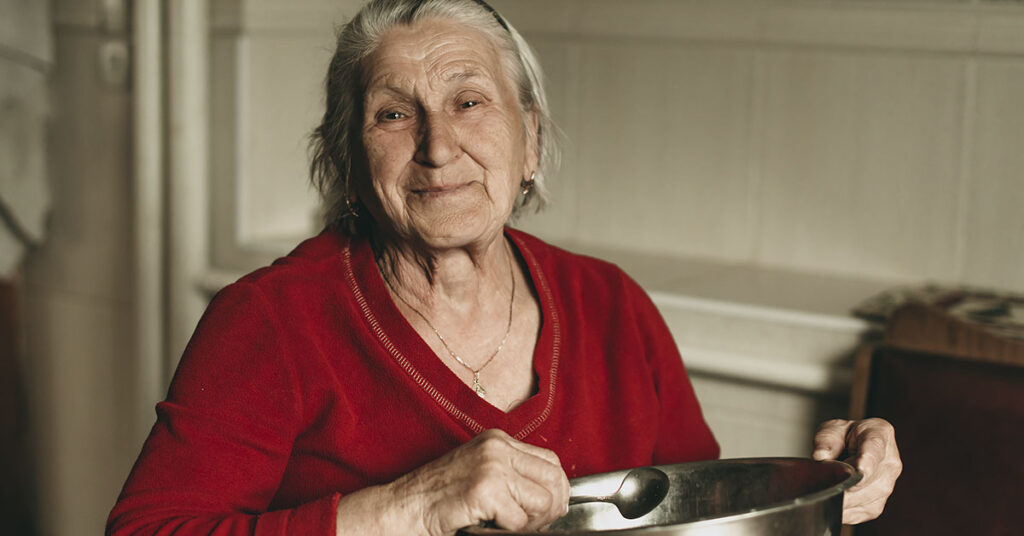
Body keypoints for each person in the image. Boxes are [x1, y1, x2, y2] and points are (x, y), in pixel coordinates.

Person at [107, 0, 902, 534]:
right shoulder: (274, 321)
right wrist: (411, 506)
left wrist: (820, 488)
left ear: (528, 142)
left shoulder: (611, 305)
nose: (438, 145)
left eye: (468, 101)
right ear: (350, 164)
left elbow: (689, 513)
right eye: (392, 113)